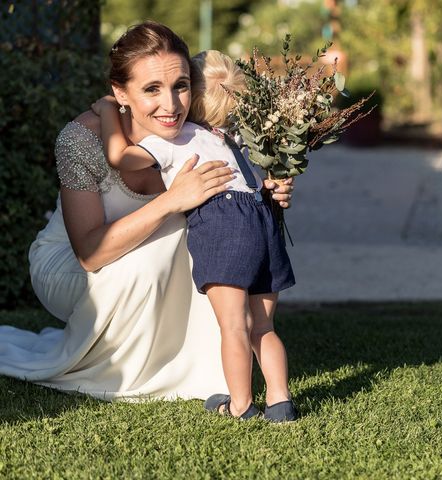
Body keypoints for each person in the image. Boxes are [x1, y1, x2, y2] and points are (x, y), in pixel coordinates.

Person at [0, 21, 294, 403]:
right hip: (70, 267)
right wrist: (173, 199)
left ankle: (202, 367)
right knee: (177, 232)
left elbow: (241, 219)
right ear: (120, 92)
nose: (171, 106)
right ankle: (141, 369)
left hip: (148, 265)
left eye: (181, 86)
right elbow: (89, 254)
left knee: (215, 237)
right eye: (151, 89)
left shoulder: (207, 134)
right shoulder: (81, 139)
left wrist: (269, 192)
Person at [90, 49, 297, 421]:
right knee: (263, 325)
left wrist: (109, 110)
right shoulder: (236, 140)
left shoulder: (175, 138)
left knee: (233, 326)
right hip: (263, 220)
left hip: (224, 225)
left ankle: (241, 405)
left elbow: (120, 158)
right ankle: (281, 401)